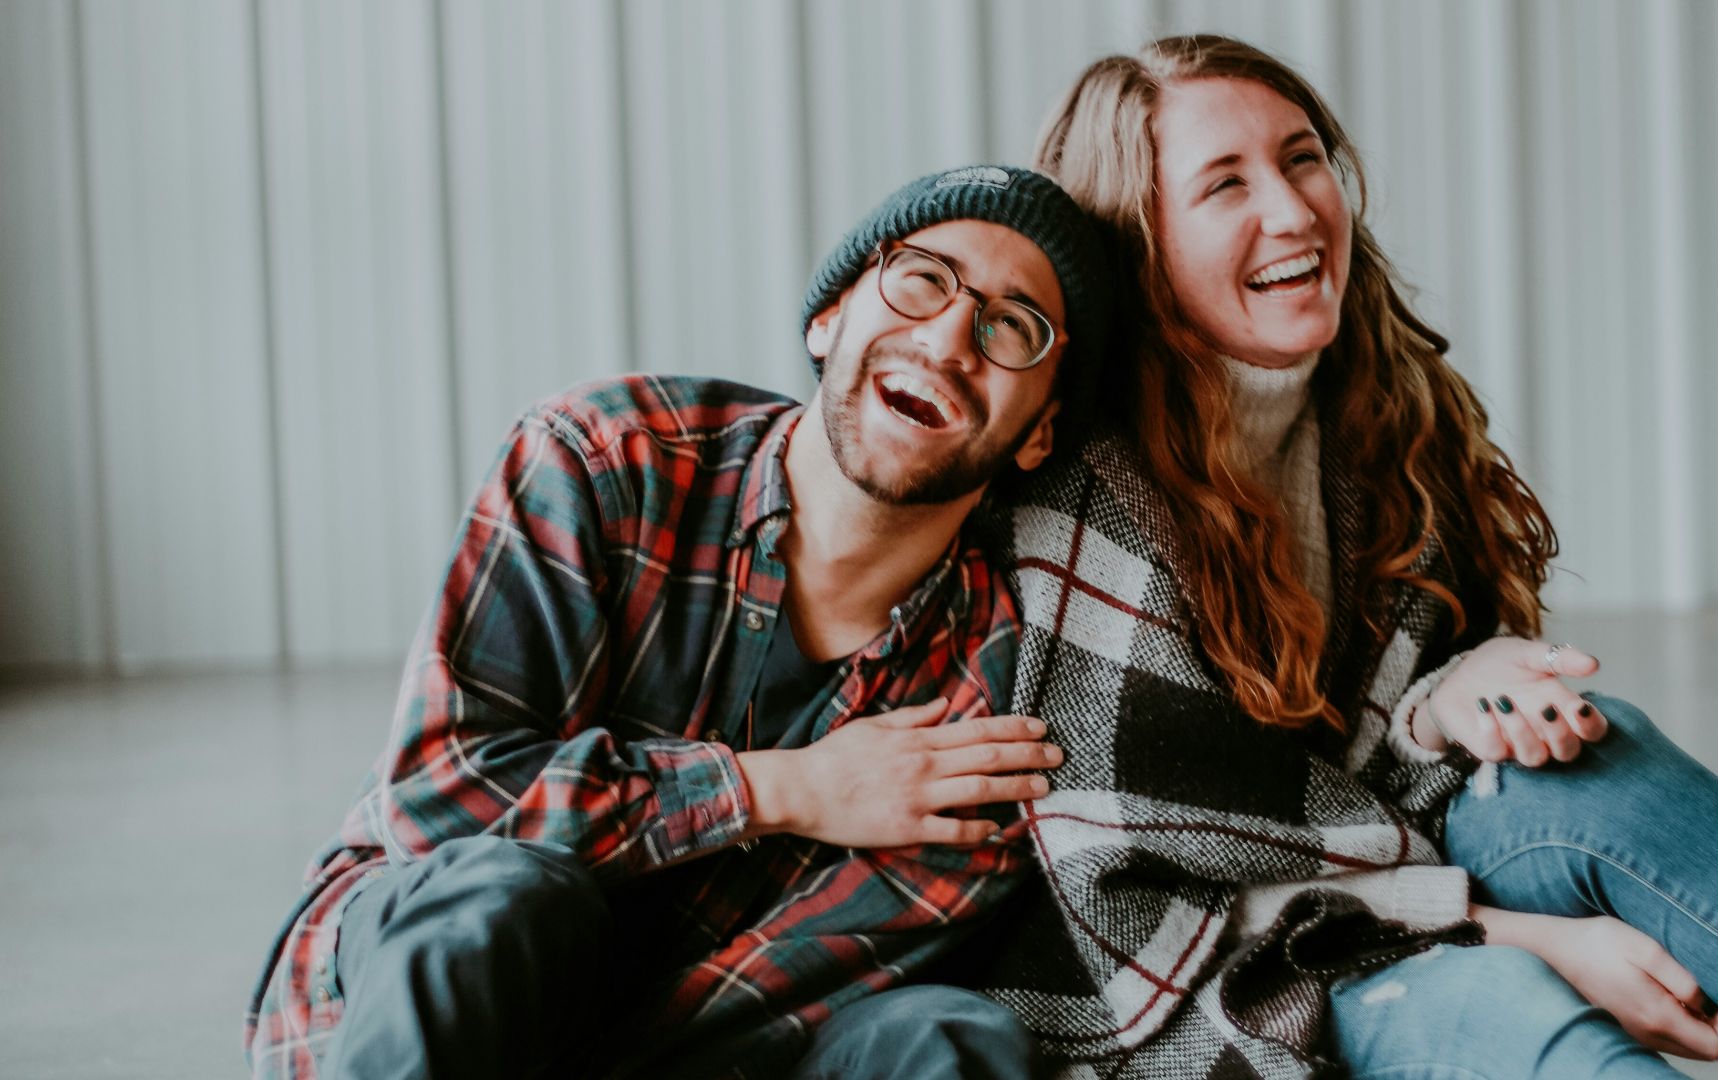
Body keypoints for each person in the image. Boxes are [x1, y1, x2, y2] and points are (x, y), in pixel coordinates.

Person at [973, 34, 1718, 1079]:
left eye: (1301, 157)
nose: (1293, 211)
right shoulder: (1089, 509)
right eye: (1224, 186)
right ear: (1139, 244)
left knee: (1578, 767)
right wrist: (1534, 939)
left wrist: (1453, 694)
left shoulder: (1369, 412)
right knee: (1486, 995)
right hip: (1187, 994)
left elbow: (1347, 755)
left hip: (1368, 878)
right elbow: (1149, 899)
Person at [242, 164, 1118, 1080]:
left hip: (701, 1046)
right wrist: (776, 788)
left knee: (947, 1037)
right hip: (422, 997)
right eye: (922, 279)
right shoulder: (604, 460)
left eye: (1012, 327)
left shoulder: (993, 687)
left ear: (1040, 433)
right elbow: (441, 804)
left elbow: (786, 994)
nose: (946, 338)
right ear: (829, 321)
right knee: (507, 893)